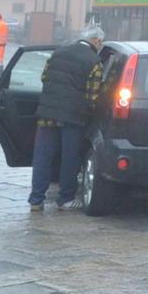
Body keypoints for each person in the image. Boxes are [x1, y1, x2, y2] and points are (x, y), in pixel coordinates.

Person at [28, 26, 105, 212]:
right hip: (73, 116)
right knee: (69, 157)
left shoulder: (58, 52)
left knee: (42, 157)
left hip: (47, 113)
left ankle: (36, 200)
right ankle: (65, 199)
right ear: (97, 41)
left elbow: (44, 76)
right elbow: (93, 95)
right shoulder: (94, 61)